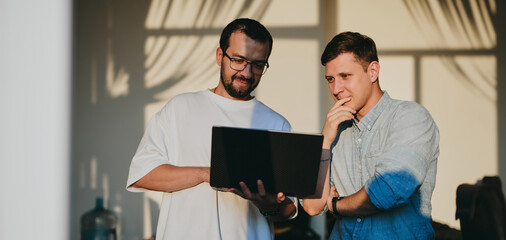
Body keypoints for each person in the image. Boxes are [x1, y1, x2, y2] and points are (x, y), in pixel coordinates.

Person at [126, 18, 297, 239]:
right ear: (220, 56)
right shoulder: (180, 108)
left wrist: (267, 204)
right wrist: (208, 173)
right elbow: (143, 175)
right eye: (238, 60)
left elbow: (289, 209)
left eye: (258, 65)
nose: (246, 73)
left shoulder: (277, 124)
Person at [302, 32, 440, 239]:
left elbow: (386, 192)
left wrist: (335, 205)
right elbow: (312, 207)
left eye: (345, 76)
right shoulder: (335, 130)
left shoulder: (410, 118)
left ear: (373, 71)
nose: (336, 89)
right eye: (330, 79)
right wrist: (325, 141)